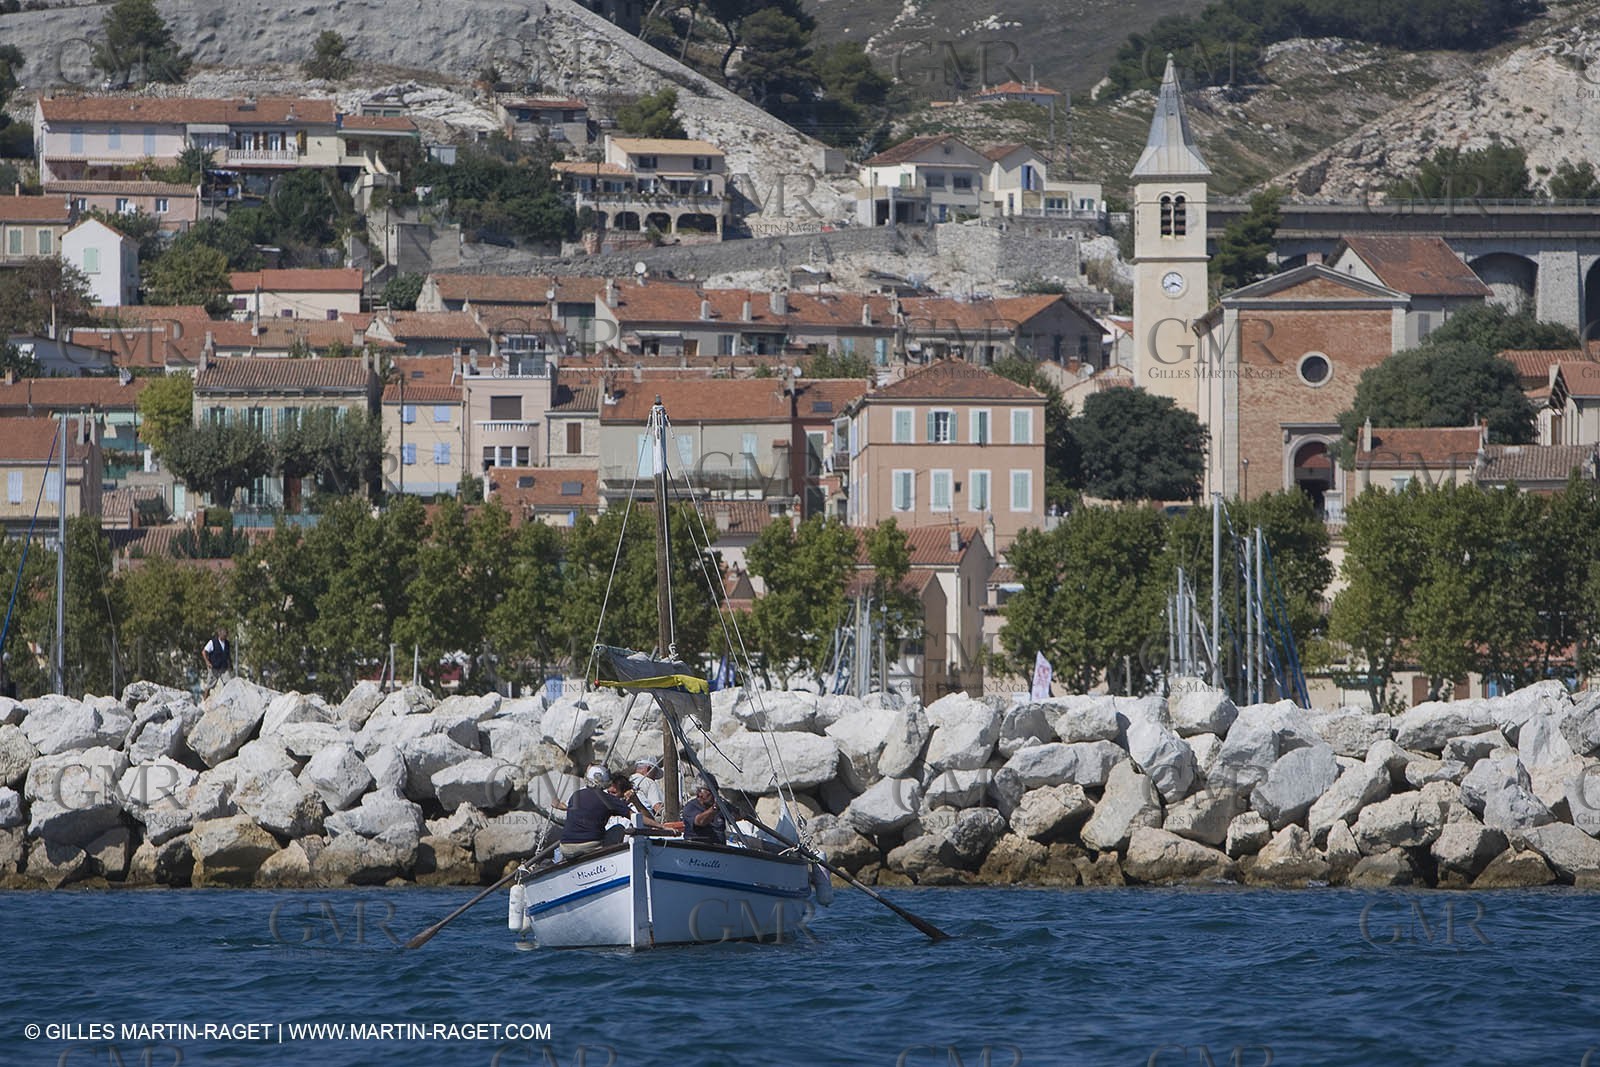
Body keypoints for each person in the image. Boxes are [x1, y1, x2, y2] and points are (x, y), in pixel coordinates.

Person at [559, 771, 665, 860]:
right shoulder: (608, 800)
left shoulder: (577, 794)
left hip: (565, 847)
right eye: (609, 791)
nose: (610, 794)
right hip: (591, 846)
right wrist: (661, 827)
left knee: (620, 829)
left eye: (614, 793)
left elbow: (647, 820)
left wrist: (635, 801)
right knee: (618, 829)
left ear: (625, 793)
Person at [680, 779, 726, 846]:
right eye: (711, 791)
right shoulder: (691, 806)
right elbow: (700, 821)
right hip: (698, 849)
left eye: (716, 791)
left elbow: (736, 815)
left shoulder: (721, 806)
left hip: (720, 850)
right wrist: (715, 808)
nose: (715, 795)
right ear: (700, 793)